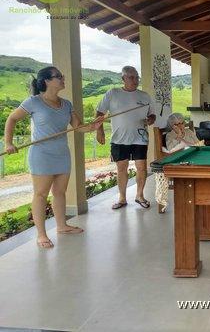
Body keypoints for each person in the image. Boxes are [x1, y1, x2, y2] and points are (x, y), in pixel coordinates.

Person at [3, 67, 103, 248]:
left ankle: (61, 226)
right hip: (41, 155)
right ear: (47, 81)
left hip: (61, 154)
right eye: (59, 76)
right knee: (41, 195)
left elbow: (78, 127)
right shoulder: (34, 102)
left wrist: (93, 127)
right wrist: (8, 143)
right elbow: (11, 119)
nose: (63, 79)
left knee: (60, 193)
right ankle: (41, 234)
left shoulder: (66, 104)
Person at [96, 66, 156, 210]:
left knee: (141, 167)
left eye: (136, 77)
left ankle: (140, 195)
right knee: (121, 168)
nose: (135, 80)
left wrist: (150, 119)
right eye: (131, 77)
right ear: (123, 79)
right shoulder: (113, 93)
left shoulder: (145, 96)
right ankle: (122, 198)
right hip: (119, 139)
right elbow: (99, 113)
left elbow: (152, 115)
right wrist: (100, 131)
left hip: (140, 138)